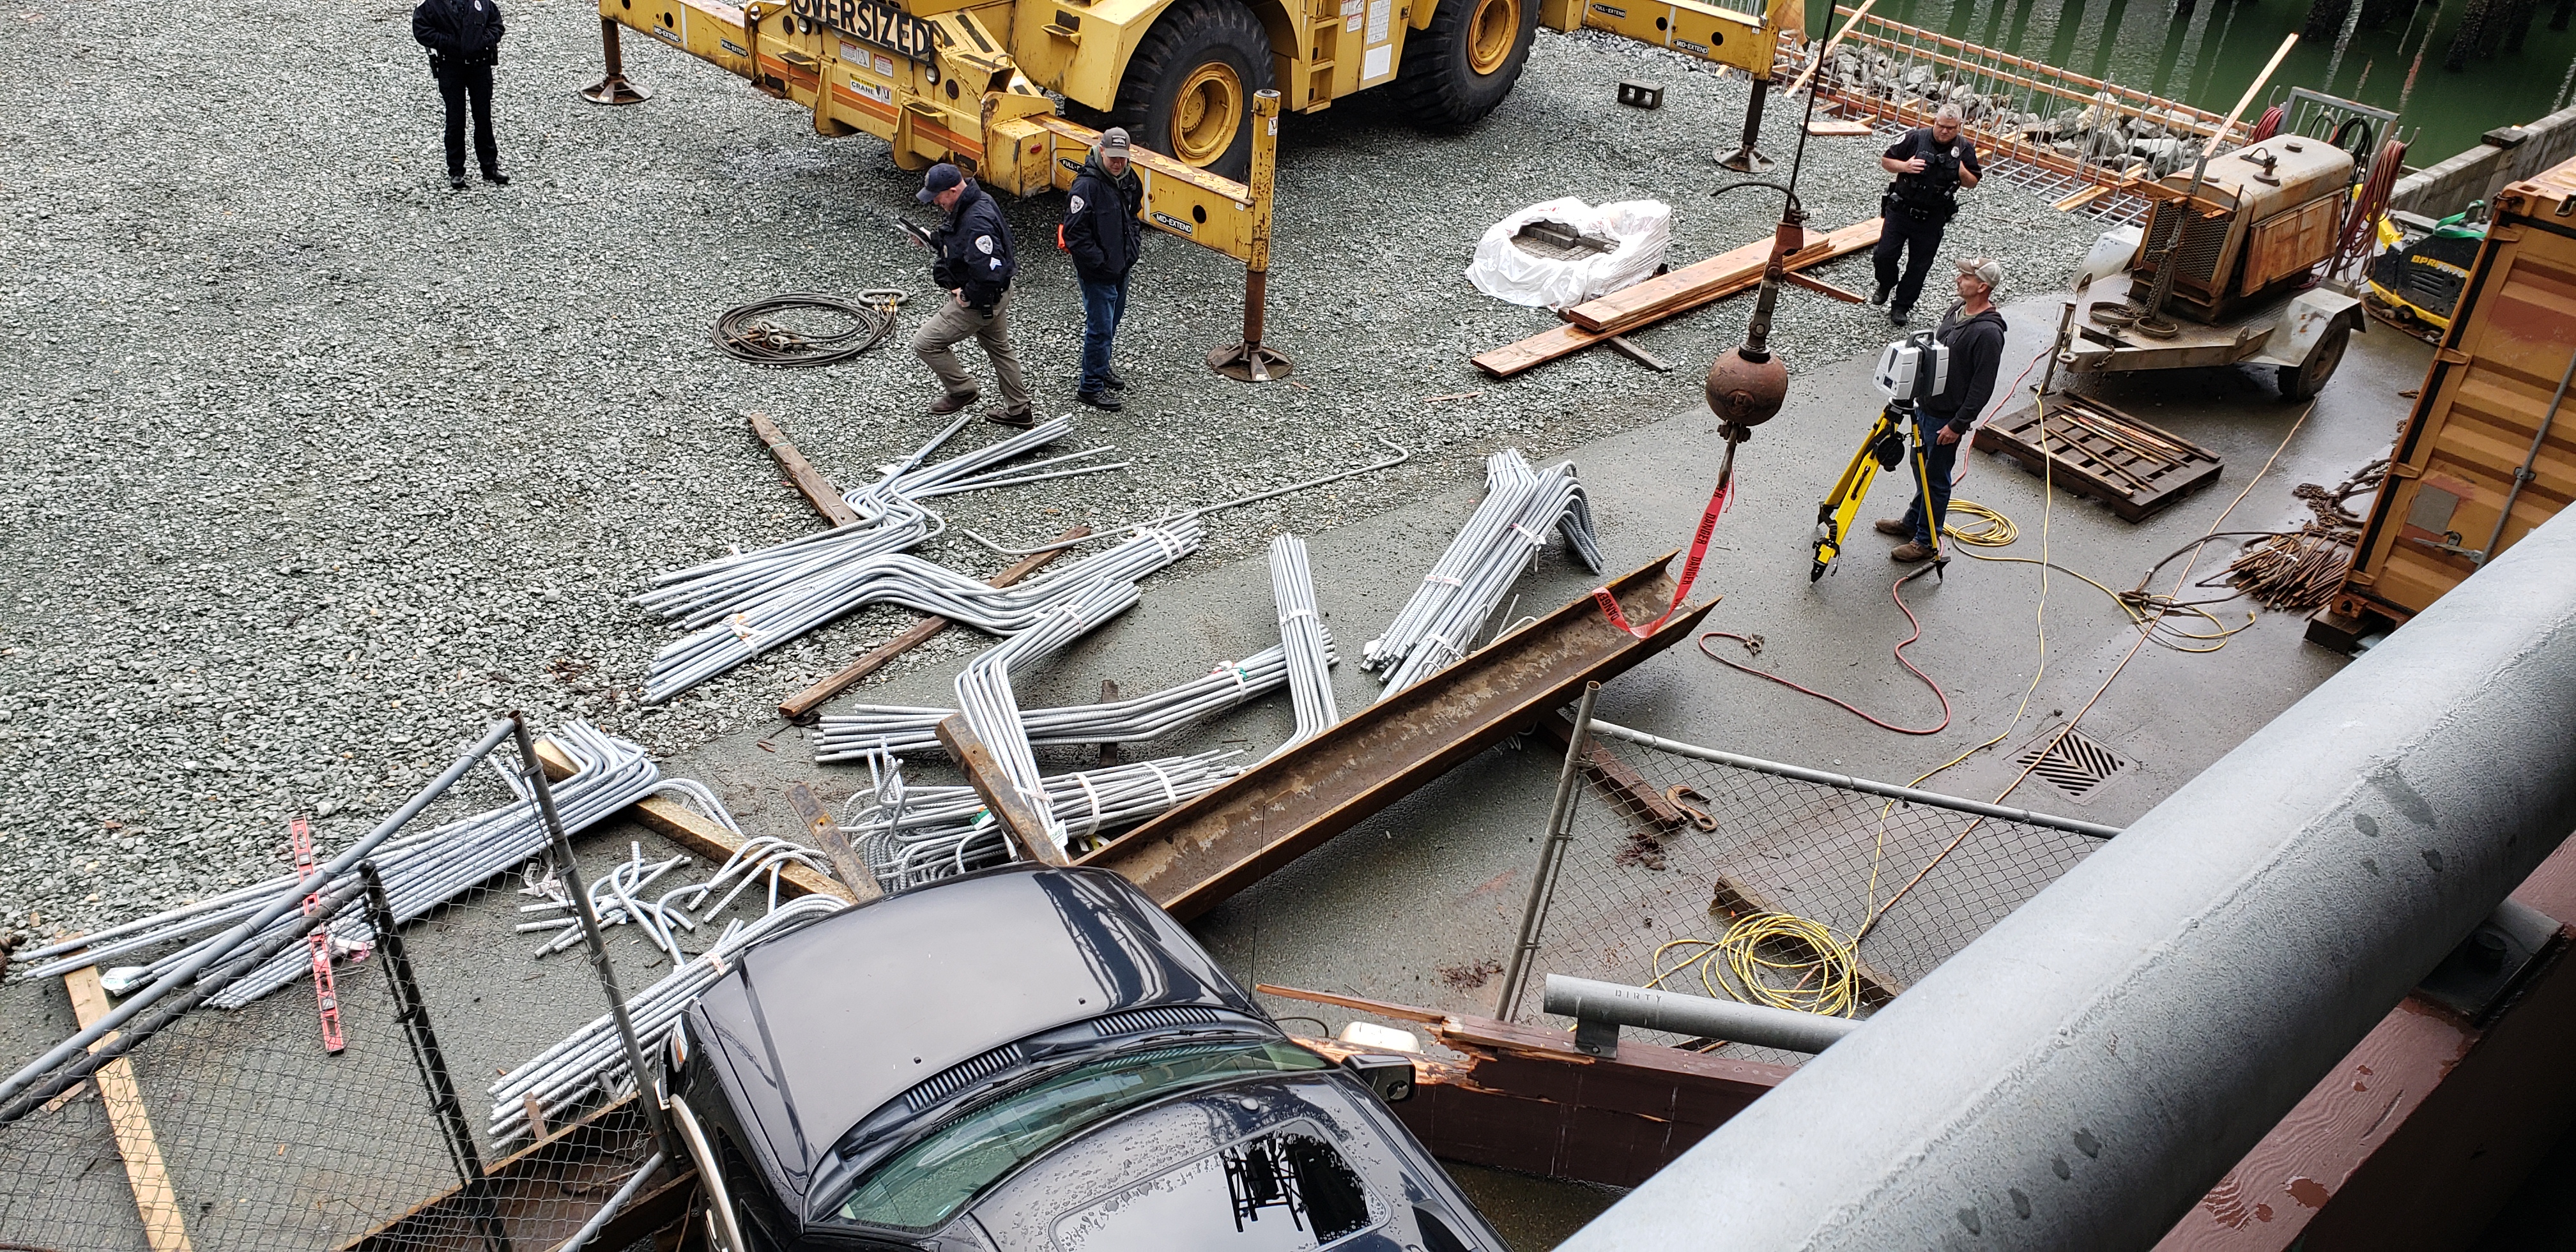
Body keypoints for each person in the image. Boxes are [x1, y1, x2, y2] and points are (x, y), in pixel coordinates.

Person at [1881, 257, 2009, 563]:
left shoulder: (1989, 334)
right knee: (1919, 466)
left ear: (1982, 286)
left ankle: (1926, 540)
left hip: (1945, 418)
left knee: (1936, 478)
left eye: (1966, 277)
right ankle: (1913, 521)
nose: (1958, 279)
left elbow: (1982, 387)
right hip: (1926, 406)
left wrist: (1958, 425)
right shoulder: (1956, 310)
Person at [909, 163, 1035, 427]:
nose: (935, 202)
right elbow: (958, 241)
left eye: (938, 196)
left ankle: (962, 389)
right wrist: (932, 238)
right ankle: (1019, 410)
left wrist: (967, 296)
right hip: (997, 297)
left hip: (981, 300)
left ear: (953, 190)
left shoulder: (976, 221)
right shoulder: (973, 202)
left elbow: (989, 272)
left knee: (925, 343)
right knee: (1000, 349)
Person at [1872, 102, 1981, 326]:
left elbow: (1973, 183)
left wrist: (1960, 169)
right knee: (1885, 255)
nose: (1945, 131)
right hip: (1902, 210)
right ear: (1935, 122)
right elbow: (1886, 161)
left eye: (1951, 128)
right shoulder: (1915, 138)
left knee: (1919, 266)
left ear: (1959, 126)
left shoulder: (1964, 149)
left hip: (1932, 216)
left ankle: (1902, 306)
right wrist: (1905, 167)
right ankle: (1886, 282)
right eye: (1942, 126)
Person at [1062, 128, 1146, 412]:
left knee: (1111, 324)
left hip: (1120, 269)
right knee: (1100, 329)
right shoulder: (1085, 188)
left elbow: (1134, 215)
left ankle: (1100, 366)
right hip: (1098, 275)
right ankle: (1090, 387)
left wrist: (1131, 250)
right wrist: (1100, 262)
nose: (1117, 163)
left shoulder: (1129, 180)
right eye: (1112, 157)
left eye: (1122, 157)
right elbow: (1074, 235)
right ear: (1101, 151)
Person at [412, 0, 509, 191]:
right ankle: (456, 171)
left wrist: (484, 41)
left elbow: (497, 25)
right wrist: (447, 43)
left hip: (480, 65)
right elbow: (421, 29)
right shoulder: (431, 4)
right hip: (451, 66)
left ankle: (489, 167)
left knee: (483, 118)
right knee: (455, 120)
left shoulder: (482, 1)